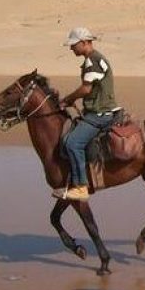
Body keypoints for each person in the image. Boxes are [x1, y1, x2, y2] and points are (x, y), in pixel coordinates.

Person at [55, 27, 120, 201]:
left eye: (73, 45)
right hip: (95, 111)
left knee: (72, 143)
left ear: (84, 42)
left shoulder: (93, 61)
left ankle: (81, 187)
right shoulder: (92, 59)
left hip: (100, 114)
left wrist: (67, 99)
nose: (71, 49)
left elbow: (86, 88)